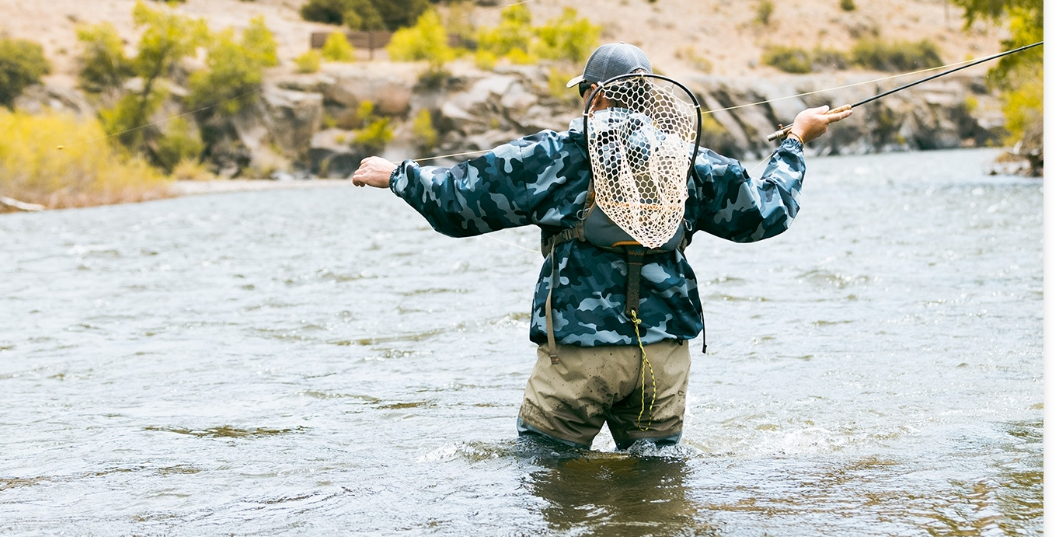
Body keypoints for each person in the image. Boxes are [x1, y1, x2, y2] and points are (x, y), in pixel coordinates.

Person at [352, 42, 851, 451]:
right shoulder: (692, 160)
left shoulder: (552, 156)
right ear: (651, 98)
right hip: (663, 356)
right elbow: (767, 214)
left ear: (592, 94)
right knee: (656, 495)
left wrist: (396, 175)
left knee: (546, 477)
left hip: (580, 356)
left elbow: (455, 204)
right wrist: (796, 139)